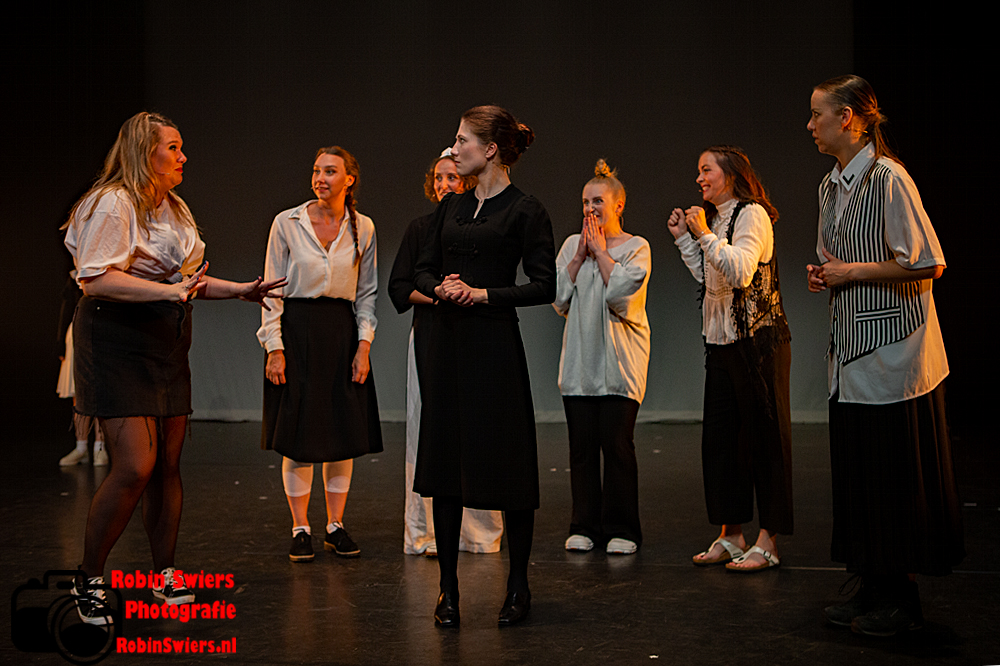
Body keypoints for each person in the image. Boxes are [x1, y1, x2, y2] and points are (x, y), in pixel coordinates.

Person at [63, 111, 286, 625]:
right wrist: (168, 293)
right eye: (173, 147)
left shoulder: (174, 206)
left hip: (164, 338)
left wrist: (241, 291)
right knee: (134, 466)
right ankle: (88, 577)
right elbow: (95, 279)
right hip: (116, 336)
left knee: (167, 465)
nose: (183, 156)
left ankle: (164, 572)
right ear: (146, 153)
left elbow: (186, 281)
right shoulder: (114, 203)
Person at [805, 75, 963, 636]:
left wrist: (853, 272)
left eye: (818, 114)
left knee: (895, 477)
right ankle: (872, 584)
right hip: (851, 355)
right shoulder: (831, 186)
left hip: (894, 355)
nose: (810, 124)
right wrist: (827, 275)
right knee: (863, 475)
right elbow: (843, 258)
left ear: (847, 118)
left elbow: (928, 262)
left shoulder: (888, 178)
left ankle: (902, 598)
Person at [413, 105, 555, 627]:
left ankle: (518, 586)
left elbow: (544, 285)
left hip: (494, 350)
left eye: (461, 141)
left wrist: (483, 293)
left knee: (508, 466)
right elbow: (421, 270)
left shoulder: (525, 210)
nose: (453, 150)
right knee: (447, 470)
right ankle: (448, 590)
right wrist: (441, 288)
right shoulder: (451, 208)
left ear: (490, 149)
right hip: (447, 349)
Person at [667, 146, 793, 573]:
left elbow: (740, 272)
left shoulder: (751, 215)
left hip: (758, 345)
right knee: (722, 443)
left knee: (766, 443)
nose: (699, 178)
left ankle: (768, 540)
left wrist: (702, 234)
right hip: (721, 343)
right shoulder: (717, 220)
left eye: (706, 170)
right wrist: (685, 239)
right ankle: (732, 533)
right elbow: (711, 276)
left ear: (731, 174)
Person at [258, 146, 383, 563]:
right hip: (297, 330)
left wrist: (363, 346)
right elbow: (271, 291)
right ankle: (300, 528)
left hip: (340, 332)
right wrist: (275, 347)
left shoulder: (363, 227)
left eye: (330, 171)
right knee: (299, 436)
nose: (320, 178)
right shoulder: (287, 223)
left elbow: (366, 293)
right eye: (316, 170)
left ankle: (335, 525)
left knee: (340, 434)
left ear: (349, 179)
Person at [388, 149, 503, 557]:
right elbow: (400, 288)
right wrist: (440, 295)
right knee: (429, 431)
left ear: (468, 180)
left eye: (451, 177)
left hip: (475, 334)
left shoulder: (483, 227)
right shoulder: (420, 228)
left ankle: (477, 532)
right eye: (438, 178)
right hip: (431, 336)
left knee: (476, 428)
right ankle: (428, 533)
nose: (443, 185)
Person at [553, 159, 650, 555]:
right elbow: (559, 299)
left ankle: (623, 529)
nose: (590, 209)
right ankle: (584, 525)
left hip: (619, 366)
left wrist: (601, 253)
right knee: (581, 449)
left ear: (618, 205)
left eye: (597, 201)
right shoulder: (570, 247)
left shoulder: (636, 247)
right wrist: (579, 256)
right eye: (585, 202)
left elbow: (624, 295)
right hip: (580, 363)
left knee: (617, 446)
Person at [56, 272, 106, 467]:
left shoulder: (105, 270)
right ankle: (81, 447)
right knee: (78, 393)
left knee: (101, 391)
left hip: (100, 330)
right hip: (77, 332)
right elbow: (67, 307)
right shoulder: (74, 275)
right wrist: (60, 342)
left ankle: (100, 447)